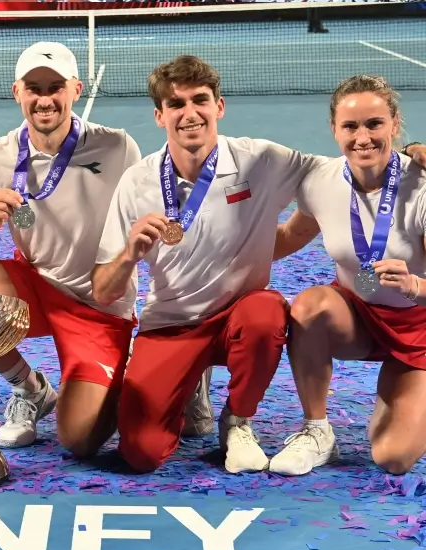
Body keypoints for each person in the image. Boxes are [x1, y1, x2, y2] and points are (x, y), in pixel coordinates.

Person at [91, 55, 323, 475]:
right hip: (171, 325)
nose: (189, 113)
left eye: (200, 100)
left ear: (219, 106)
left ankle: (237, 420)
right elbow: (104, 290)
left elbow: (337, 175)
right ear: (159, 116)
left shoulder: (260, 160)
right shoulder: (137, 181)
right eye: (176, 104)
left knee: (265, 314)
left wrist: (405, 154)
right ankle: (188, 382)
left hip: (238, 315)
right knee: (141, 453)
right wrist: (129, 255)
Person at [0, 41, 141, 455]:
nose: (44, 99)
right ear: (17, 92)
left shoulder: (118, 148)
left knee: (79, 441)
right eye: (34, 88)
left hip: (98, 304)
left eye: (55, 87)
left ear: (76, 90)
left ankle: (127, 371)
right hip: (35, 286)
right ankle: (31, 390)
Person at [270, 76, 426, 476]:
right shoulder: (322, 180)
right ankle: (318, 431)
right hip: (358, 315)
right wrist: (214, 248)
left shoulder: (421, 189)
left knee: (392, 457)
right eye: (350, 126)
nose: (362, 137)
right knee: (309, 306)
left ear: (394, 123)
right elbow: (290, 236)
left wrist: (414, 285)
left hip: (420, 327)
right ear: (334, 130)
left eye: (374, 124)